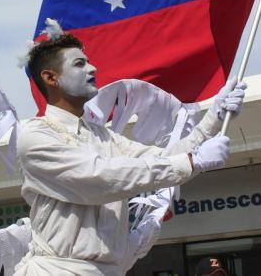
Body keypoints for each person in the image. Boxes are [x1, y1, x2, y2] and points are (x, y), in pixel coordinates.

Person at [14, 31, 246, 275]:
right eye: (79, 63)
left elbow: (162, 158)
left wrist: (212, 120)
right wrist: (191, 161)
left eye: (89, 61)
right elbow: (98, 178)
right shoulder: (34, 135)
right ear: (51, 78)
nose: (92, 69)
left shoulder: (103, 136)